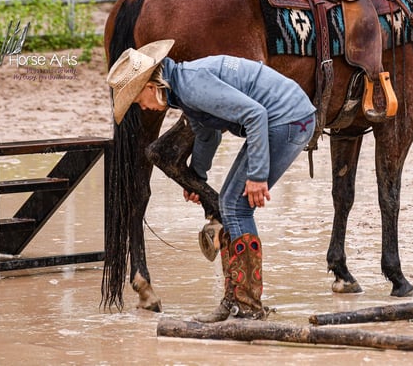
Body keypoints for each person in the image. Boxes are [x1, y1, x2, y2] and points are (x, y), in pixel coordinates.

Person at [106, 39, 316, 321]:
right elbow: (207, 135)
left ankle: (247, 307)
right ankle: (235, 301)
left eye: (137, 100)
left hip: (288, 119)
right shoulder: (183, 87)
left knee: (236, 207)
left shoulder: (191, 86)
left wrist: (257, 175)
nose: (143, 107)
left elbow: (255, 115)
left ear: (150, 87)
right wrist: (197, 177)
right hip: (285, 116)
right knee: (229, 204)